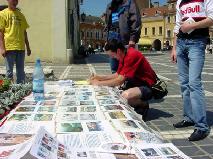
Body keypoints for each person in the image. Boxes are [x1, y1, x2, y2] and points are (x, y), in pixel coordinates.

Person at [171, 0, 213, 141]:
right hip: (181, 43)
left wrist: (192, 25)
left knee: (194, 83)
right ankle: (189, 117)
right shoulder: (179, 2)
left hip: (197, 42)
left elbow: (211, 18)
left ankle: (201, 126)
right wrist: (174, 48)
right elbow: (177, 26)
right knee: (184, 84)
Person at [89, 39, 157, 120]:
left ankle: (143, 104)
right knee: (116, 94)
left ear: (118, 51)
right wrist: (99, 77)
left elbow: (119, 81)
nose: (112, 58)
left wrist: (98, 83)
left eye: (112, 55)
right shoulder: (123, 54)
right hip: (135, 83)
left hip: (148, 86)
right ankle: (135, 102)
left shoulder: (131, 55)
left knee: (125, 96)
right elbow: (117, 74)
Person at [105, 0, 141, 73]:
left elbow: (136, 21)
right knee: (114, 68)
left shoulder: (130, 3)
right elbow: (107, 24)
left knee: (127, 67)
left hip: (125, 39)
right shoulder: (109, 6)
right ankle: (117, 82)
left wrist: (133, 38)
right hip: (112, 37)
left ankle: (127, 83)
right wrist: (106, 40)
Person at [0, 0, 31, 84]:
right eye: (12, 0)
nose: (15, 2)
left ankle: (20, 89)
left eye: (16, 0)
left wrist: (28, 47)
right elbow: (1, 32)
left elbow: (24, 32)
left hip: (21, 47)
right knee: (9, 72)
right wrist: (2, 48)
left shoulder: (21, 15)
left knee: (20, 72)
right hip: (9, 47)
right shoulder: (3, 14)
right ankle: (8, 91)